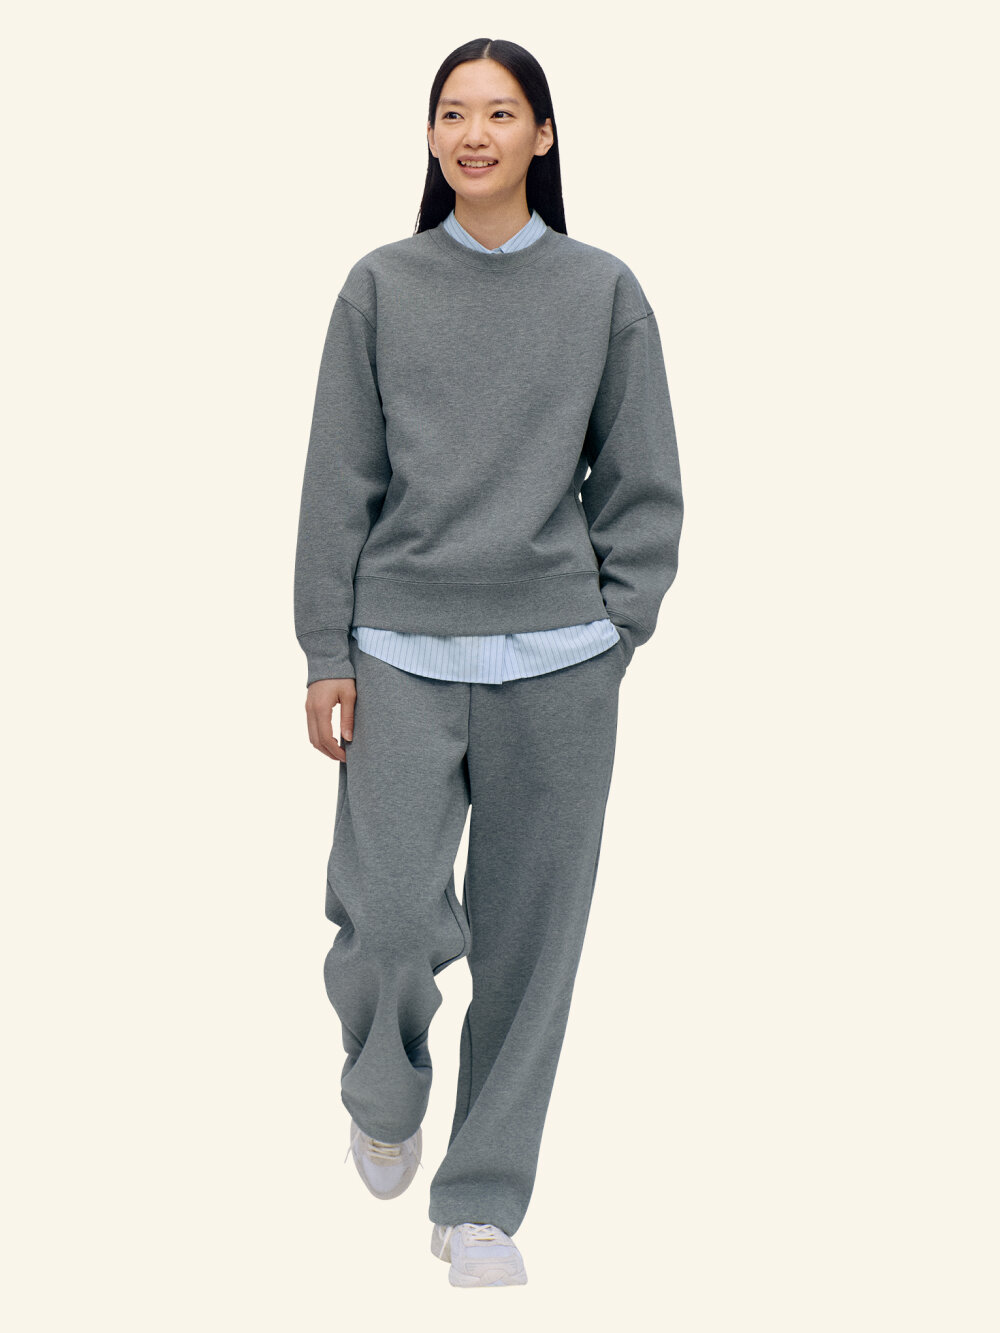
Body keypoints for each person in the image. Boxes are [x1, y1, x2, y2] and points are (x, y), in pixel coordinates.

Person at [293, 37, 683, 1288]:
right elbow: (338, 480)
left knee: (530, 945)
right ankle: (382, 1091)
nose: (474, 134)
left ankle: (478, 1204)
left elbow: (641, 477)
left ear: (542, 136)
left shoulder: (602, 291)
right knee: (388, 914)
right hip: (398, 651)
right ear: (430, 137)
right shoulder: (380, 286)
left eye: (501, 114)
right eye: (453, 114)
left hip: (560, 662)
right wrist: (325, 648)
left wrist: (618, 626)